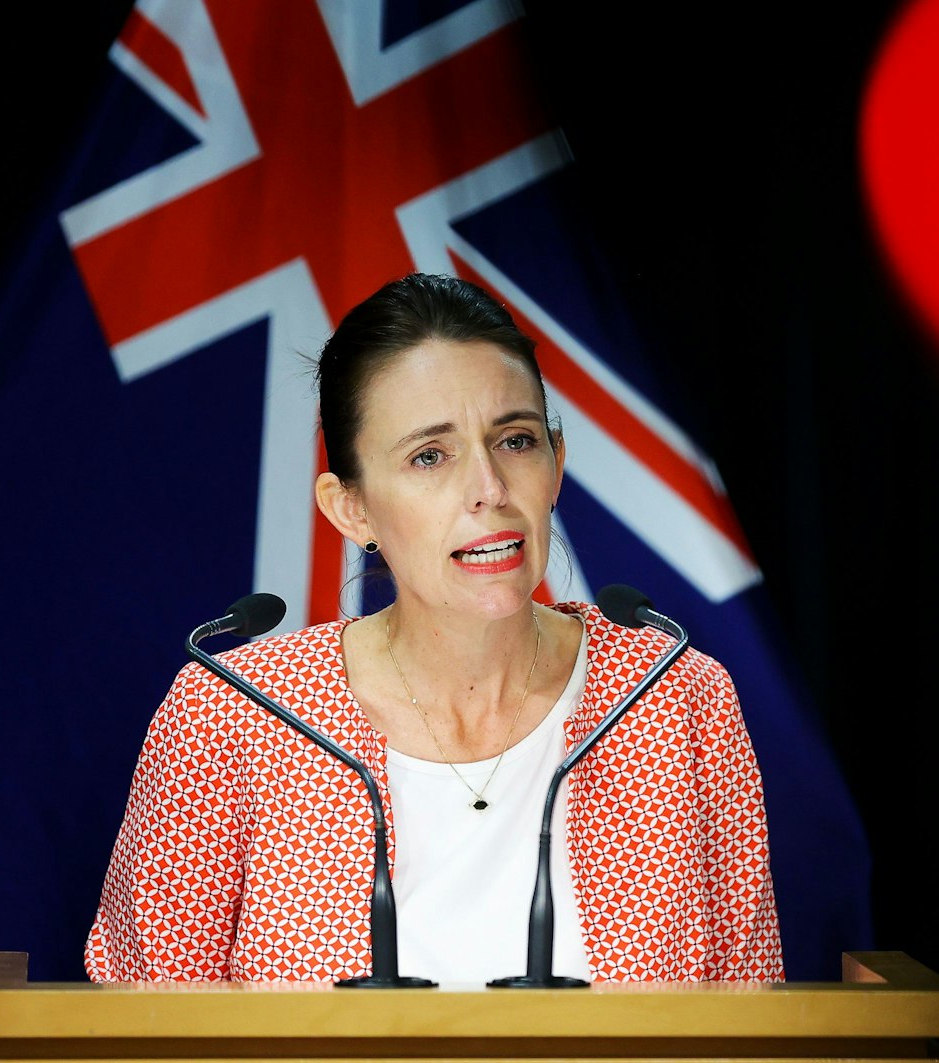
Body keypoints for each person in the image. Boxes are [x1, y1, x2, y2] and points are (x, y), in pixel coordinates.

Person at [84, 272, 784, 984]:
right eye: (430, 455)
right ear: (350, 508)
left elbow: (751, 1036)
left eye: (515, 440)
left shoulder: (674, 699)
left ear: (557, 463)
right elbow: (139, 1042)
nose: (489, 488)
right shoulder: (231, 715)